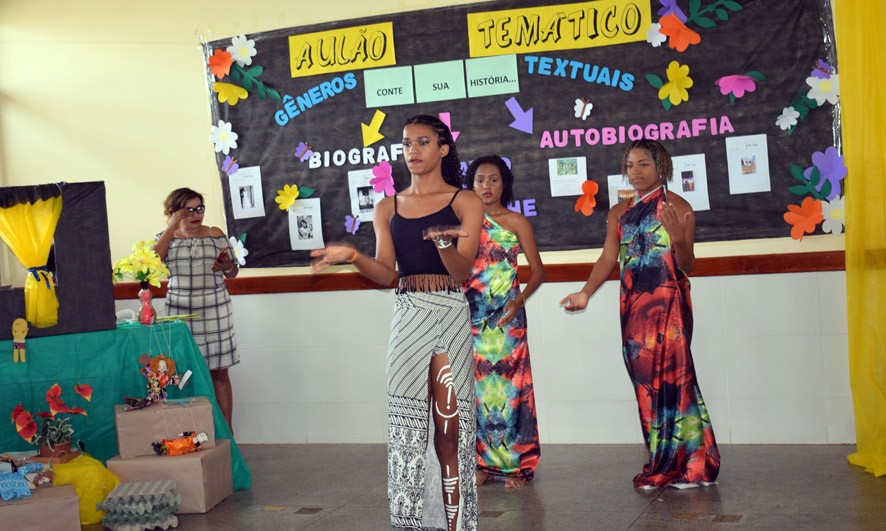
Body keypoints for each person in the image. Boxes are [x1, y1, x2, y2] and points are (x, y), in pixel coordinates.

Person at [311, 115, 483, 531]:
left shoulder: (466, 202)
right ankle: (410, 524)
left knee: (450, 428)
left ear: (443, 148)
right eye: (407, 143)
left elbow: (461, 273)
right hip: (407, 316)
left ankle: (458, 525)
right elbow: (388, 274)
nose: (413, 151)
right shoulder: (388, 206)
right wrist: (353, 256)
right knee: (408, 428)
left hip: (447, 312)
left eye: (423, 142)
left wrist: (443, 243)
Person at [560, 139, 720, 489]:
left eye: (643, 164)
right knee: (646, 384)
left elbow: (687, 264)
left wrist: (679, 237)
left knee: (675, 381)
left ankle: (686, 467)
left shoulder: (679, 207)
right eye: (630, 164)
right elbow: (607, 258)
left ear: (661, 166)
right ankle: (679, 460)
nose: (635, 171)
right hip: (633, 307)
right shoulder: (619, 212)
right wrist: (585, 293)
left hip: (669, 305)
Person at [462, 155, 544, 489]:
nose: (486, 186)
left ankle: (515, 465)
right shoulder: (464, 222)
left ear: (504, 183)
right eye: (480, 180)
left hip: (508, 319)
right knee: (478, 392)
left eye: (493, 179)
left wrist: (519, 300)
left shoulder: (516, 222)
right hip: (471, 317)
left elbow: (539, 271)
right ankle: (483, 464)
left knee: (512, 390)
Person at [154, 188, 240, 430]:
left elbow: (232, 273)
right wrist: (171, 228)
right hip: (179, 312)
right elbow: (152, 264)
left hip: (215, 309)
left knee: (219, 372)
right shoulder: (164, 237)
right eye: (188, 210)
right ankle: (188, 430)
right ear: (174, 213)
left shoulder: (215, 234)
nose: (196, 214)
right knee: (181, 372)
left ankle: (227, 431)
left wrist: (227, 265)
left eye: (199, 208)